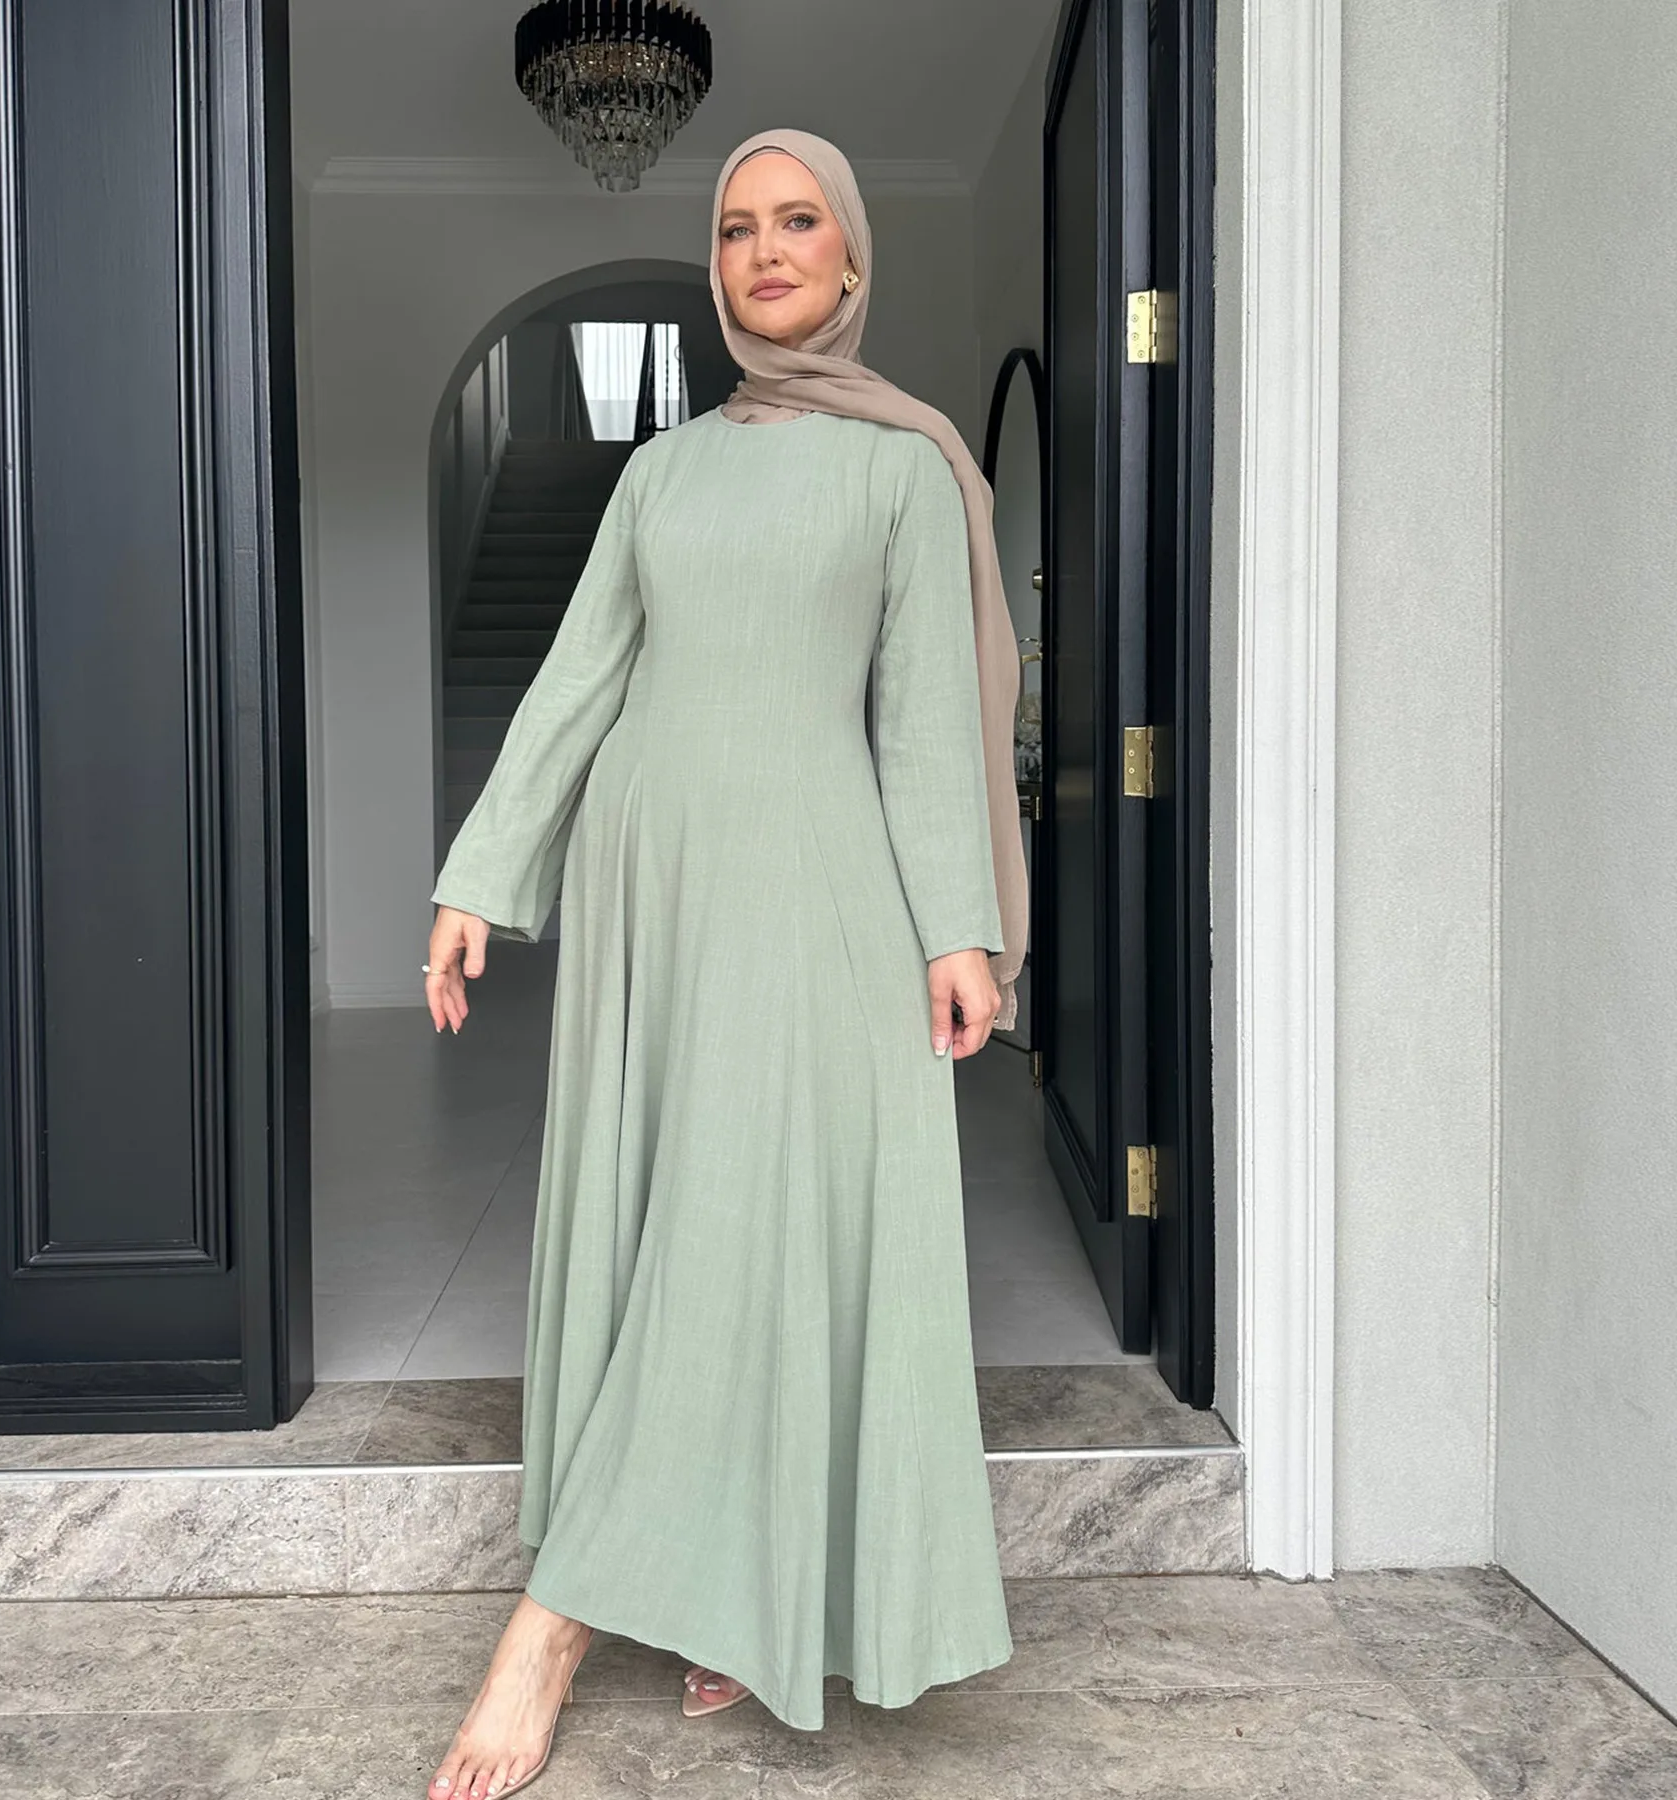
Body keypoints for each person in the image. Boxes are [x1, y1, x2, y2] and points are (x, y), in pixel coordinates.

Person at [419, 126, 1029, 1800]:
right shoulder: (662, 475)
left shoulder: (905, 467)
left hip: (814, 891)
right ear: (717, 269)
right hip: (650, 892)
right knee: (672, 1216)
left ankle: (549, 1629)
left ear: (851, 255)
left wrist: (959, 931)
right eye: (739, 227)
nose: (767, 250)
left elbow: (926, 716)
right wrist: (482, 873)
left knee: (748, 1224)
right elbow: (578, 677)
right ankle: (719, 1581)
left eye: (799, 221)